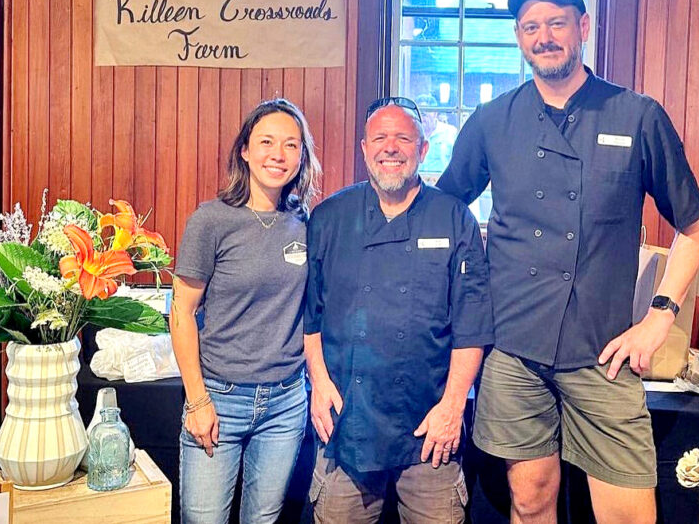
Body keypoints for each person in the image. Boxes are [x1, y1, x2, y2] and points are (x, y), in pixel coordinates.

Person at [437, 0, 699, 523]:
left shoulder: (636, 115)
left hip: (603, 353)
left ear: (582, 27)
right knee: (531, 498)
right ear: (519, 38)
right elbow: (444, 209)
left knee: (628, 514)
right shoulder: (492, 121)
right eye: (531, 27)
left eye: (556, 23)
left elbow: (696, 225)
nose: (544, 36)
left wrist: (660, 316)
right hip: (514, 349)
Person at [304, 97, 493, 523]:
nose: (391, 148)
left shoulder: (453, 218)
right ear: (364, 148)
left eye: (403, 138)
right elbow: (311, 314)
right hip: (346, 423)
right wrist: (318, 381)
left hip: (430, 427)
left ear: (423, 150)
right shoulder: (330, 217)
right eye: (381, 138)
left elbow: (472, 324)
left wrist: (452, 407)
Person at [170, 98, 321, 524]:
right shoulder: (212, 220)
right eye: (267, 142)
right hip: (219, 396)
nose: (278, 154)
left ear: (302, 156)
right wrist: (197, 399)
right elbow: (180, 311)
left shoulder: (308, 222)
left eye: (291, 145)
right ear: (245, 150)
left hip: (287, 402)